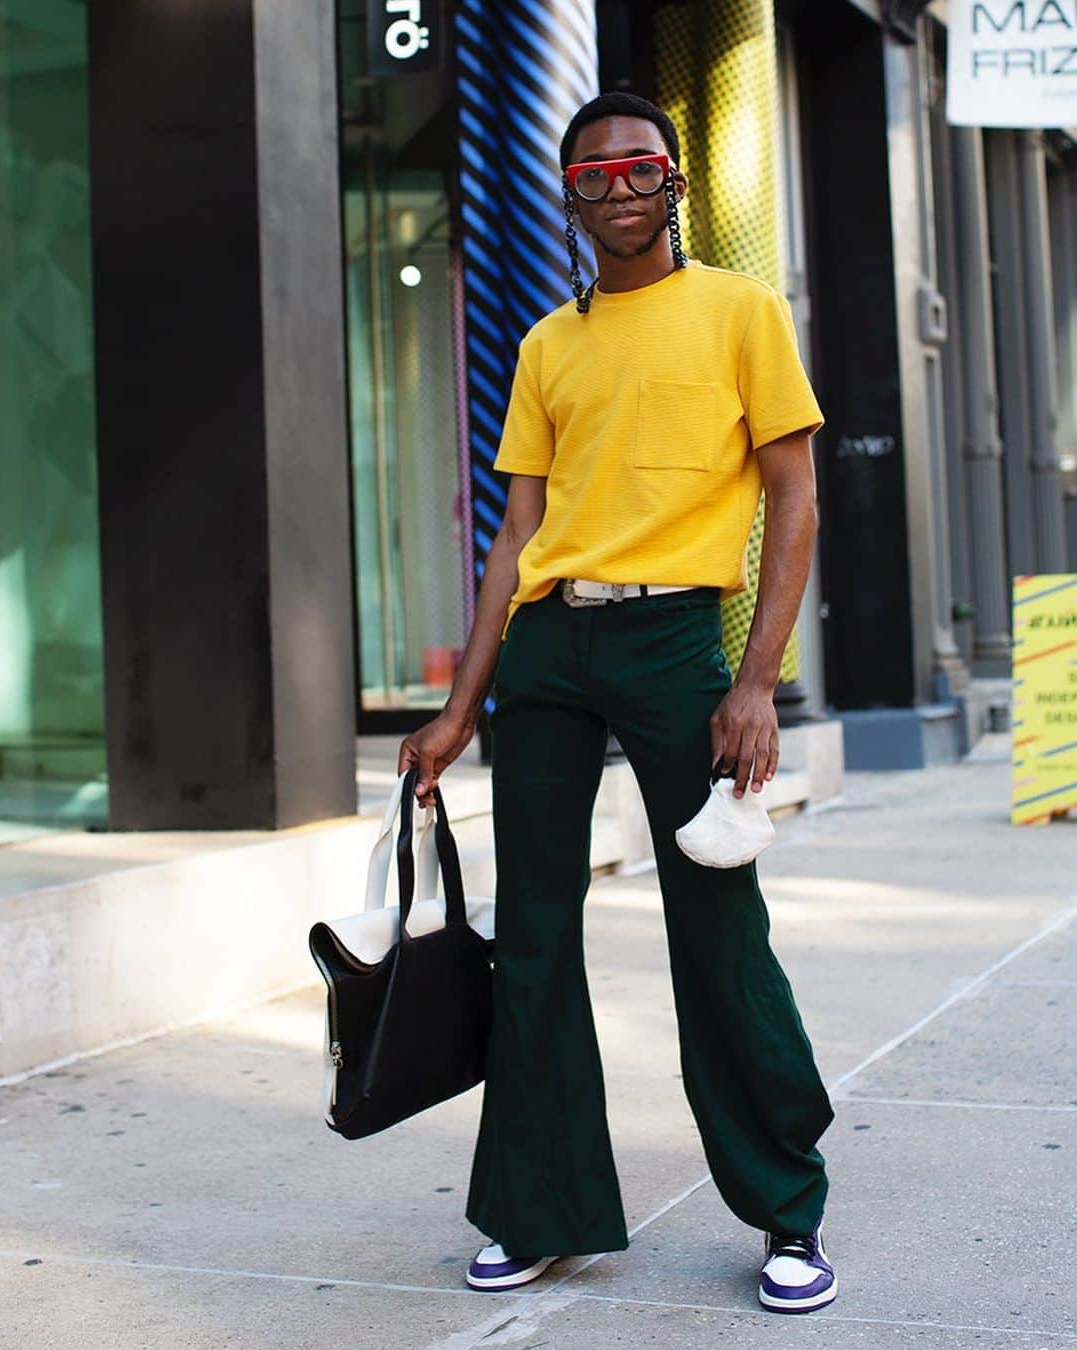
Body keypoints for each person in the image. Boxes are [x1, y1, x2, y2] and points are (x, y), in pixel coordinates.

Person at [398, 91, 837, 1316]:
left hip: (673, 641)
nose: (617, 188)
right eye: (591, 175)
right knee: (533, 936)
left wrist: (756, 680)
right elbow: (515, 537)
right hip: (548, 648)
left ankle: (786, 1211)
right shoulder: (547, 345)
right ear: (570, 198)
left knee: (717, 926)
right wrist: (456, 709)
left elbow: (793, 497)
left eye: (638, 167)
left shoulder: (743, 312)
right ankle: (541, 1209)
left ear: (676, 182)